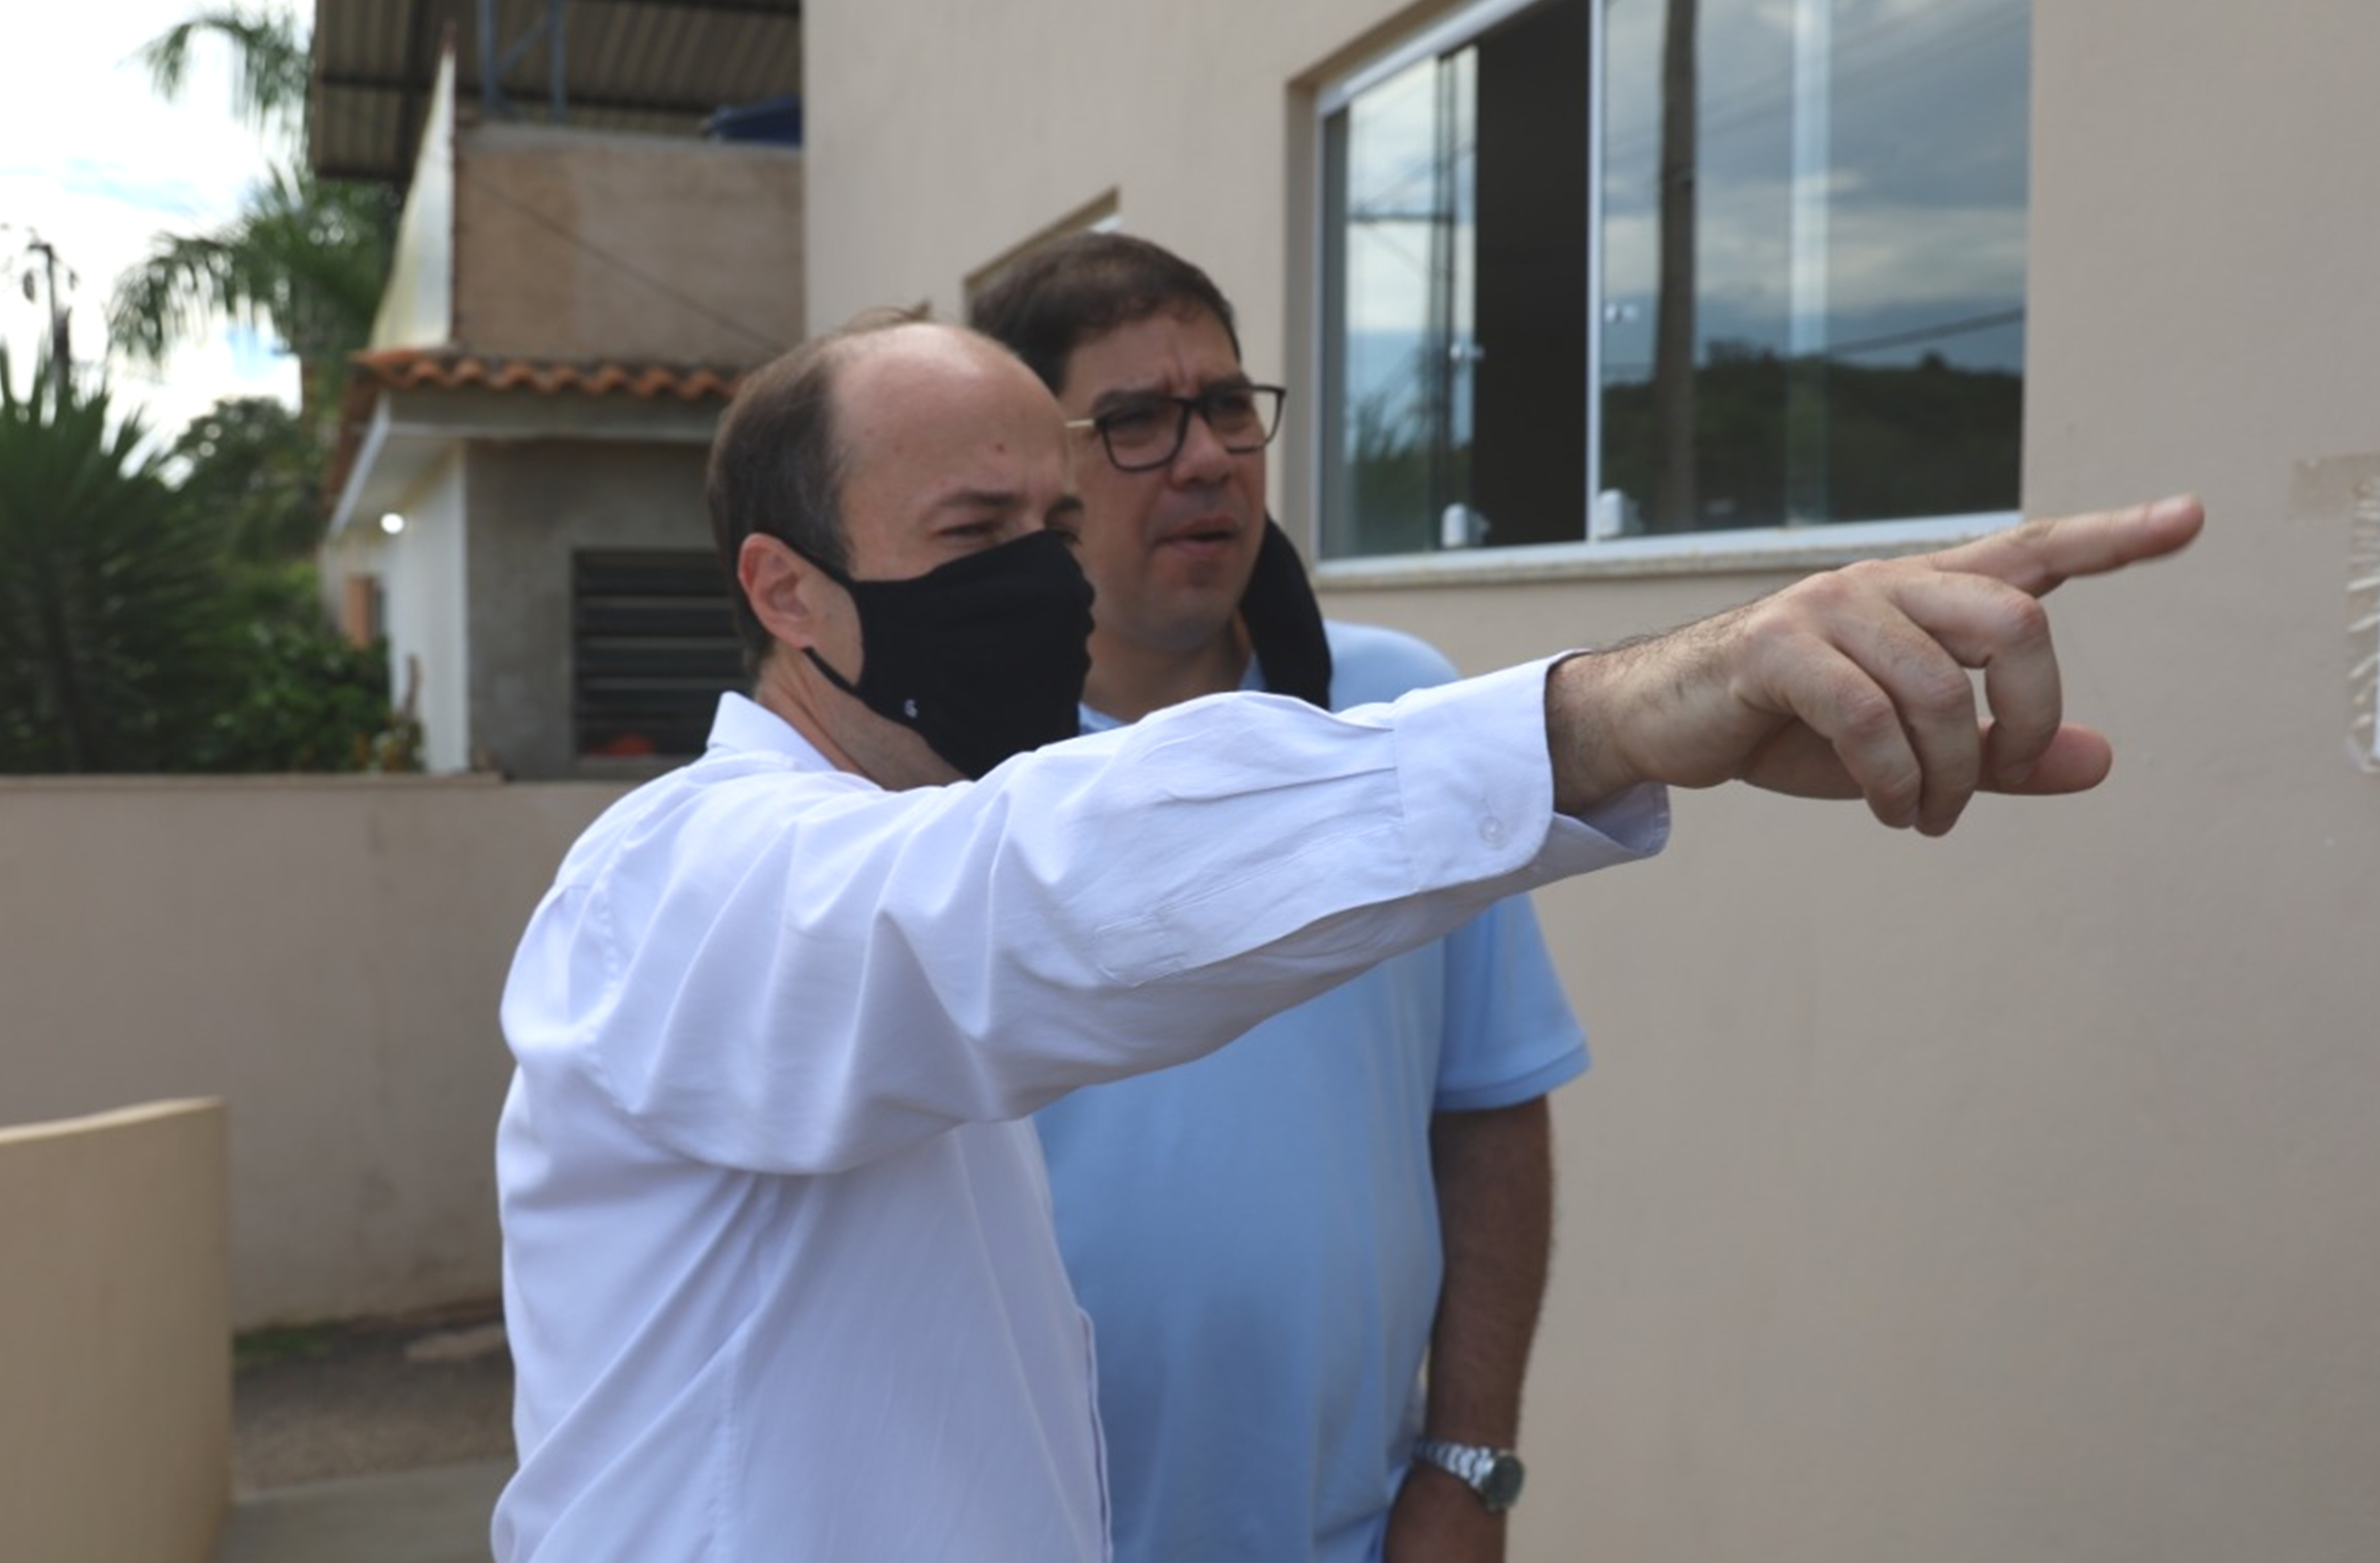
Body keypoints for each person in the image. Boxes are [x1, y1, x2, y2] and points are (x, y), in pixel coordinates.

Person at [490, 312, 2202, 1563]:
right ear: (785, 590)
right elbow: (1035, 893)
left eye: (1050, 530)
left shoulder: (895, 833)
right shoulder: (677, 889)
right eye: (972, 534)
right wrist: (1611, 717)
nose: (1043, 581)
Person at [971, 232, 1577, 1563]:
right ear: (1030, 476)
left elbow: (1488, 1104)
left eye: (1226, 406)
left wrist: (1467, 1468)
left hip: (1349, 1533)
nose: (1204, 457)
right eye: (1135, 420)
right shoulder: (948, 777)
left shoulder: (1404, 716)